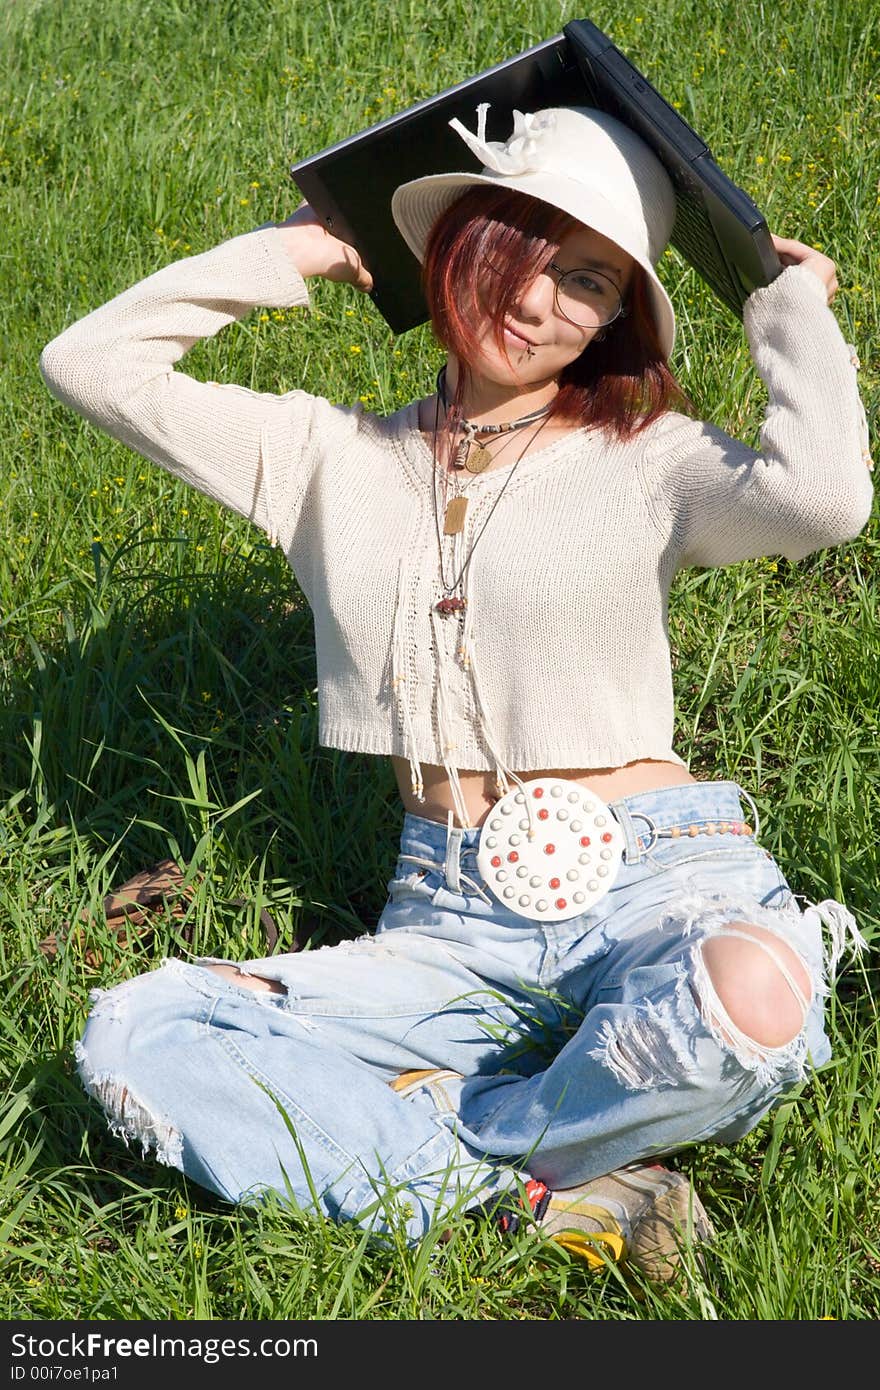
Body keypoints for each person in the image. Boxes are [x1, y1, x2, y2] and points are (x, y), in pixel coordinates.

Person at [40, 104, 873, 1286]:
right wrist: (289, 254)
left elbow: (825, 499)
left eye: (587, 283)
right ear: (456, 240)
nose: (538, 302)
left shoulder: (654, 459)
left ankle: (430, 1138)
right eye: (520, 248)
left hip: (659, 881)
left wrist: (787, 312)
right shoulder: (322, 459)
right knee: (141, 1030)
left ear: (610, 322)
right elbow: (88, 365)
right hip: (449, 916)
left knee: (749, 1001)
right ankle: (539, 1188)